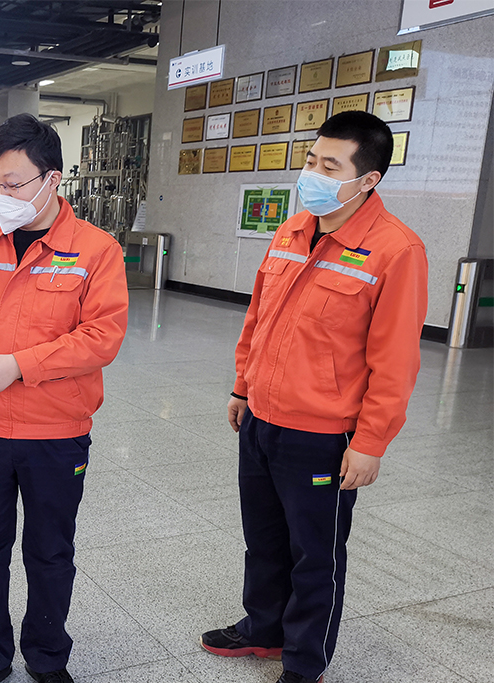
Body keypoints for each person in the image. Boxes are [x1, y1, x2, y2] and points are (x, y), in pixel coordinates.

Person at [199, 111, 429, 683]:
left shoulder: (395, 250)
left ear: (368, 179)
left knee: (314, 555)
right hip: (261, 420)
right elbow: (259, 317)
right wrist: (242, 386)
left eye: (330, 167)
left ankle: (305, 662)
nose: (313, 175)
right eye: (310, 161)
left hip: (323, 435)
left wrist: (370, 442)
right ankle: (264, 629)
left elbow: (395, 361)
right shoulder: (293, 229)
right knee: (263, 540)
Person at [0, 114, 129, 683]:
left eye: (14, 183)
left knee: (49, 553)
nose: (1, 195)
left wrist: (18, 366)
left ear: (52, 179)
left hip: (54, 435)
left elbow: (102, 337)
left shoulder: (95, 250)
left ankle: (47, 657)